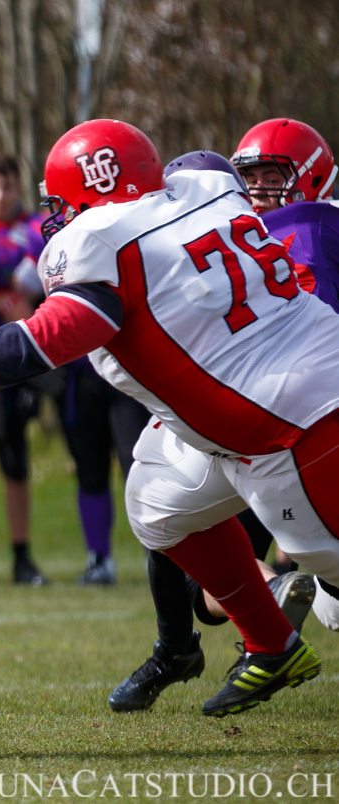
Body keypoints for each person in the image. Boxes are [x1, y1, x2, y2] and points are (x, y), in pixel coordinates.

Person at [0, 118, 339, 718]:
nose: (54, 216)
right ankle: (271, 643)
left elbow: (33, 344)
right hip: (247, 409)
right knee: (157, 500)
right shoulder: (208, 191)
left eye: (60, 202)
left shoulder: (103, 237)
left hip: (293, 431)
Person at [108, 129, 339, 712]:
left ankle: (267, 614)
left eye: (271, 176)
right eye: (250, 177)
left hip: (300, 408)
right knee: (156, 493)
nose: (258, 190)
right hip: (251, 404)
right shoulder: (236, 226)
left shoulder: (313, 222)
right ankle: (203, 643)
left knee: (329, 584)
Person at [0, 154, 49, 585]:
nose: (1, 196)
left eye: (8, 187)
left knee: (14, 457)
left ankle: (22, 555)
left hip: (8, 360)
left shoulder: (35, 231)